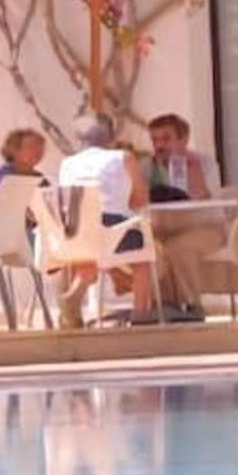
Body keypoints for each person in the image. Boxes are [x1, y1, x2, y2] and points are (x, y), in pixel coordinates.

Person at [57, 116, 158, 323]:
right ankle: (141, 314)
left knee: (92, 251)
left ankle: (75, 293)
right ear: (112, 137)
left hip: (74, 233)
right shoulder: (123, 157)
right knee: (142, 257)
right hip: (111, 228)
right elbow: (140, 199)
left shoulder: (67, 163)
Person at [146, 114, 214, 201]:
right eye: (154, 140)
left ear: (184, 139)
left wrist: (191, 170)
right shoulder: (148, 166)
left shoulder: (204, 163)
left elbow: (208, 202)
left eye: (166, 139)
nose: (159, 145)